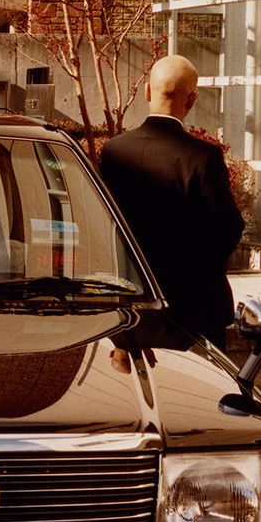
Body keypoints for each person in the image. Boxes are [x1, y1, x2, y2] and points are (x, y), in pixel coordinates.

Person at [100, 55, 245, 349]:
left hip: (128, 303)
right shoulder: (203, 157)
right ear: (191, 100)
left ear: (147, 92)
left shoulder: (114, 151)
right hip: (193, 308)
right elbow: (228, 227)